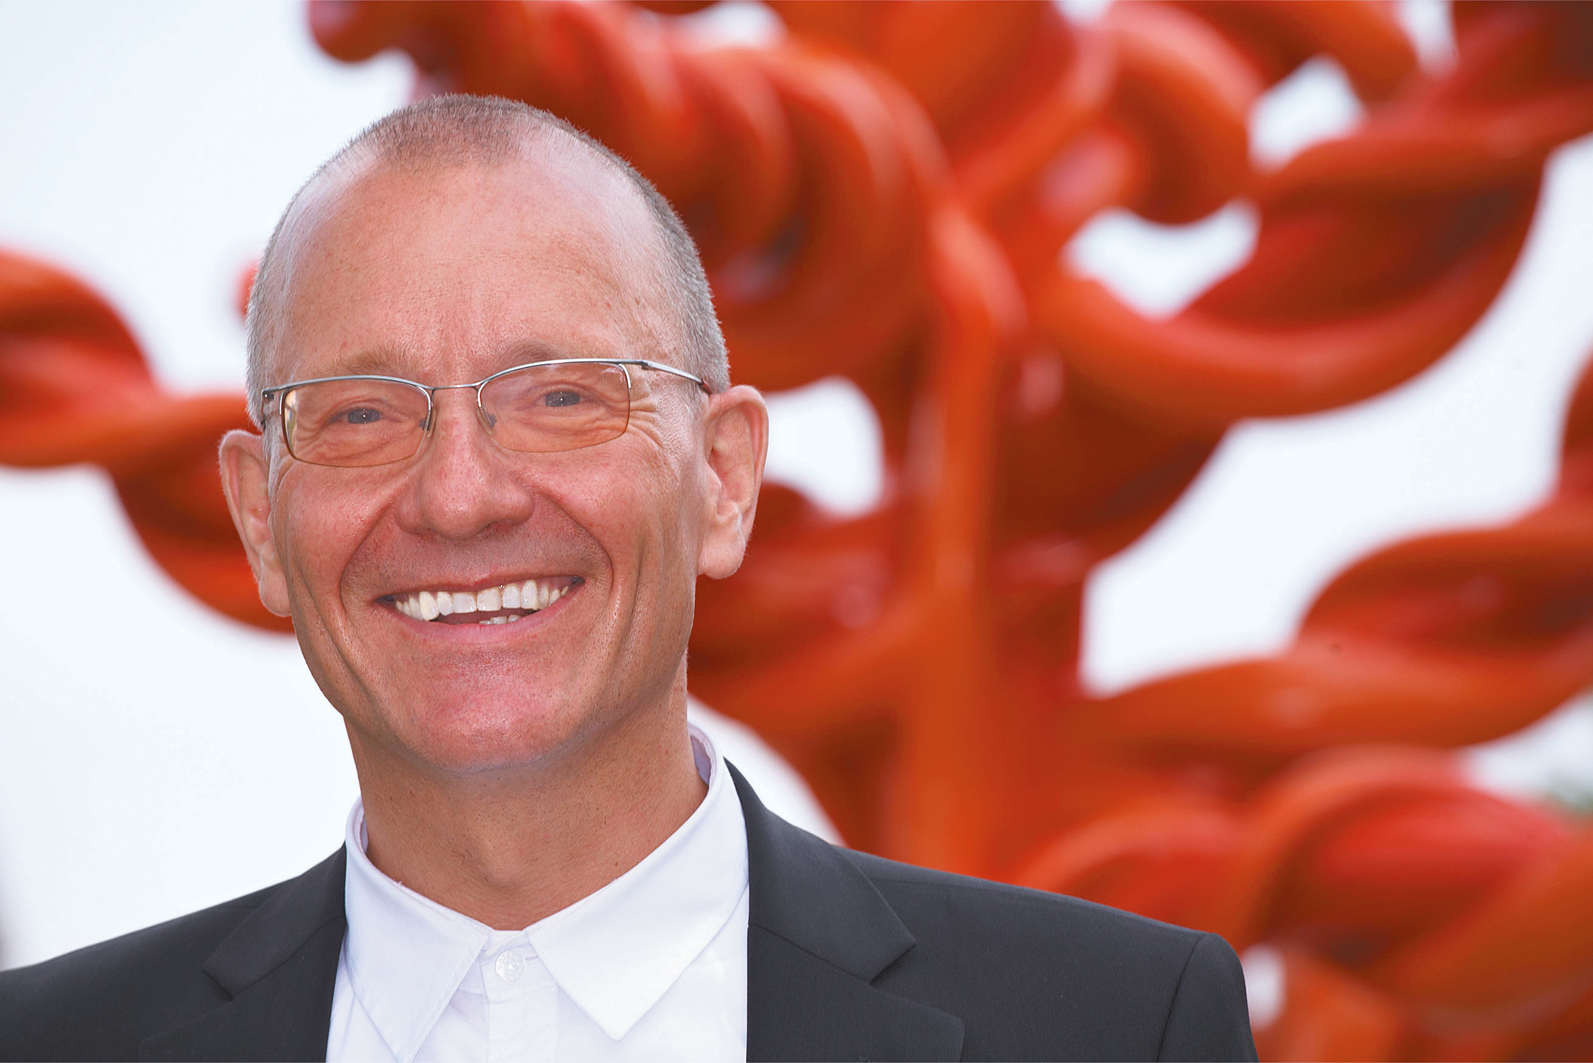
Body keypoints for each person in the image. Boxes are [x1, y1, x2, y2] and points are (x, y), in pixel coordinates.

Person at [0, 95, 1257, 1063]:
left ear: (724, 477)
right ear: (259, 519)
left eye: (560, 398)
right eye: (362, 414)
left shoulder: (1115, 1029)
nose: (459, 495)